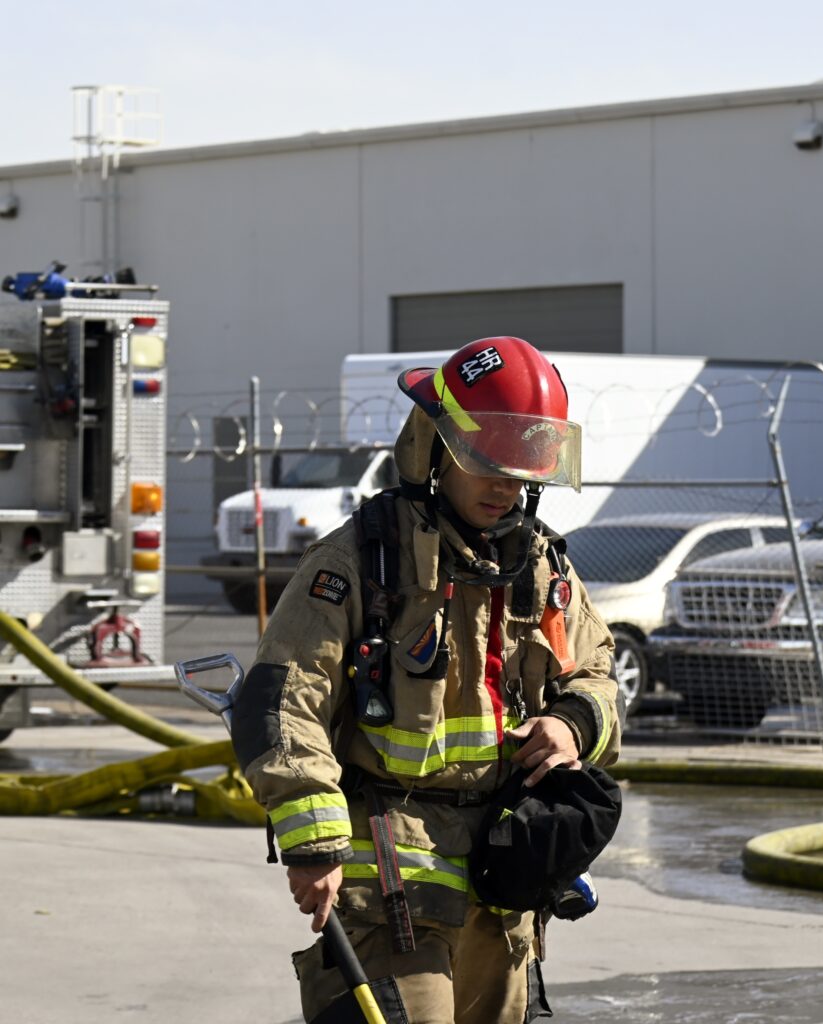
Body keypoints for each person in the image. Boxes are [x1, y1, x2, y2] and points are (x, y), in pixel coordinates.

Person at [231, 336, 623, 1024]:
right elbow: (284, 704)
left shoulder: (542, 569)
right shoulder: (359, 562)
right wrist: (313, 843)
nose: (505, 487)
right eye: (487, 464)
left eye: (521, 468)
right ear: (434, 447)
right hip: (390, 875)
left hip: (504, 876)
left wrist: (571, 723)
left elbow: (596, 672)